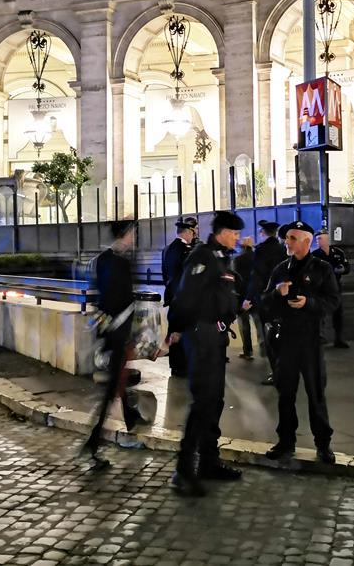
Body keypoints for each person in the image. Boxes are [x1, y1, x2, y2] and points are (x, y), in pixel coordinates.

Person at [167, 211, 246, 496]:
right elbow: (185, 296)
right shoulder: (203, 256)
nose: (237, 238)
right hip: (202, 335)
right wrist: (175, 329)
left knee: (214, 401)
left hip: (216, 336)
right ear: (223, 232)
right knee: (203, 401)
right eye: (235, 233)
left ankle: (209, 462)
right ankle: (183, 470)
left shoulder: (222, 257)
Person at [262, 220, 340, 464]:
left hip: (310, 340)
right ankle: (285, 441)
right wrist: (277, 294)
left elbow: (333, 301)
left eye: (293, 238)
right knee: (285, 393)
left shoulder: (322, 268)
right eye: (287, 238)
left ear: (306, 241)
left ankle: (323, 444)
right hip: (285, 340)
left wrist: (310, 303)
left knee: (316, 392)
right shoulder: (280, 269)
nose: (287, 241)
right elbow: (264, 302)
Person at [81, 219, 147, 469]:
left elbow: (101, 296)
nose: (134, 237)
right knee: (111, 390)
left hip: (111, 331)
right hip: (117, 333)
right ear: (124, 234)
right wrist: (126, 333)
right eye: (132, 233)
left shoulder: (104, 259)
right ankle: (93, 444)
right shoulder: (119, 262)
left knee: (118, 383)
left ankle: (130, 419)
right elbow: (118, 298)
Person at [242, 220, 288, 386]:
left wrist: (248, 298)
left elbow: (256, 277)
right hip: (282, 298)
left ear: (263, 233)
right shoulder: (283, 249)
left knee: (269, 337)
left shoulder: (261, 250)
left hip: (266, 300)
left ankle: (277, 374)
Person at [161, 217, 195, 377]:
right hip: (182, 298)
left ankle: (175, 365)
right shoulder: (184, 250)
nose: (194, 236)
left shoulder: (167, 249)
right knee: (181, 331)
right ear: (188, 232)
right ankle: (181, 366)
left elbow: (165, 275)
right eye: (193, 232)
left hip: (172, 297)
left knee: (173, 328)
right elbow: (184, 276)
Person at [311, 228, 351, 349]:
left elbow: (347, 267)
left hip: (335, 287)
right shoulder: (314, 255)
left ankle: (339, 339)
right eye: (317, 239)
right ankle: (319, 337)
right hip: (320, 289)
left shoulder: (338, 252)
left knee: (338, 314)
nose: (318, 241)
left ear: (327, 239)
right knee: (320, 314)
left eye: (320, 238)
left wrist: (342, 269)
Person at [234, 236, 256, 360]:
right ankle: (266, 351)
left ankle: (248, 351)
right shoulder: (257, 257)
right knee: (259, 324)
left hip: (242, 296)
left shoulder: (238, 259)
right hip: (255, 295)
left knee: (244, 324)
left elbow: (235, 279)